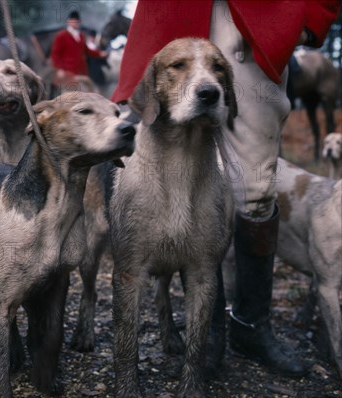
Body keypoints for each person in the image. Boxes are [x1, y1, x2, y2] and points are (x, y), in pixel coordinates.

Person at [111, 0, 341, 377]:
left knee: (255, 188)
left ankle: (251, 325)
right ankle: (207, 338)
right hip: (174, 12)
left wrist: (311, 17)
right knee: (171, 176)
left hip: (254, 19)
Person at [50, 10, 107, 94]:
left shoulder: (81, 35)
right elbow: (55, 54)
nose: (75, 23)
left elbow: (86, 50)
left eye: (77, 21)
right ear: (68, 21)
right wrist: (60, 69)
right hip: (68, 71)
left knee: (86, 94)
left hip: (82, 71)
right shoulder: (61, 36)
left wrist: (99, 54)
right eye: (73, 21)